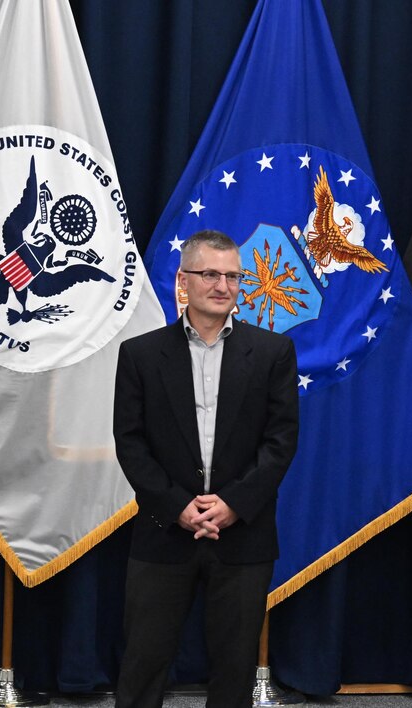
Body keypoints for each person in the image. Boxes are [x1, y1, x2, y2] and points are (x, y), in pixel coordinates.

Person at [112, 229, 299, 708]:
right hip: (164, 532)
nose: (223, 285)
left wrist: (234, 503)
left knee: (235, 672)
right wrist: (178, 507)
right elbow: (130, 444)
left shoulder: (274, 353)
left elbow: (281, 442)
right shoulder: (141, 354)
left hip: (243, 536)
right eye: (210, 274)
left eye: (233, 275)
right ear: (184, 280)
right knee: (143, 667)